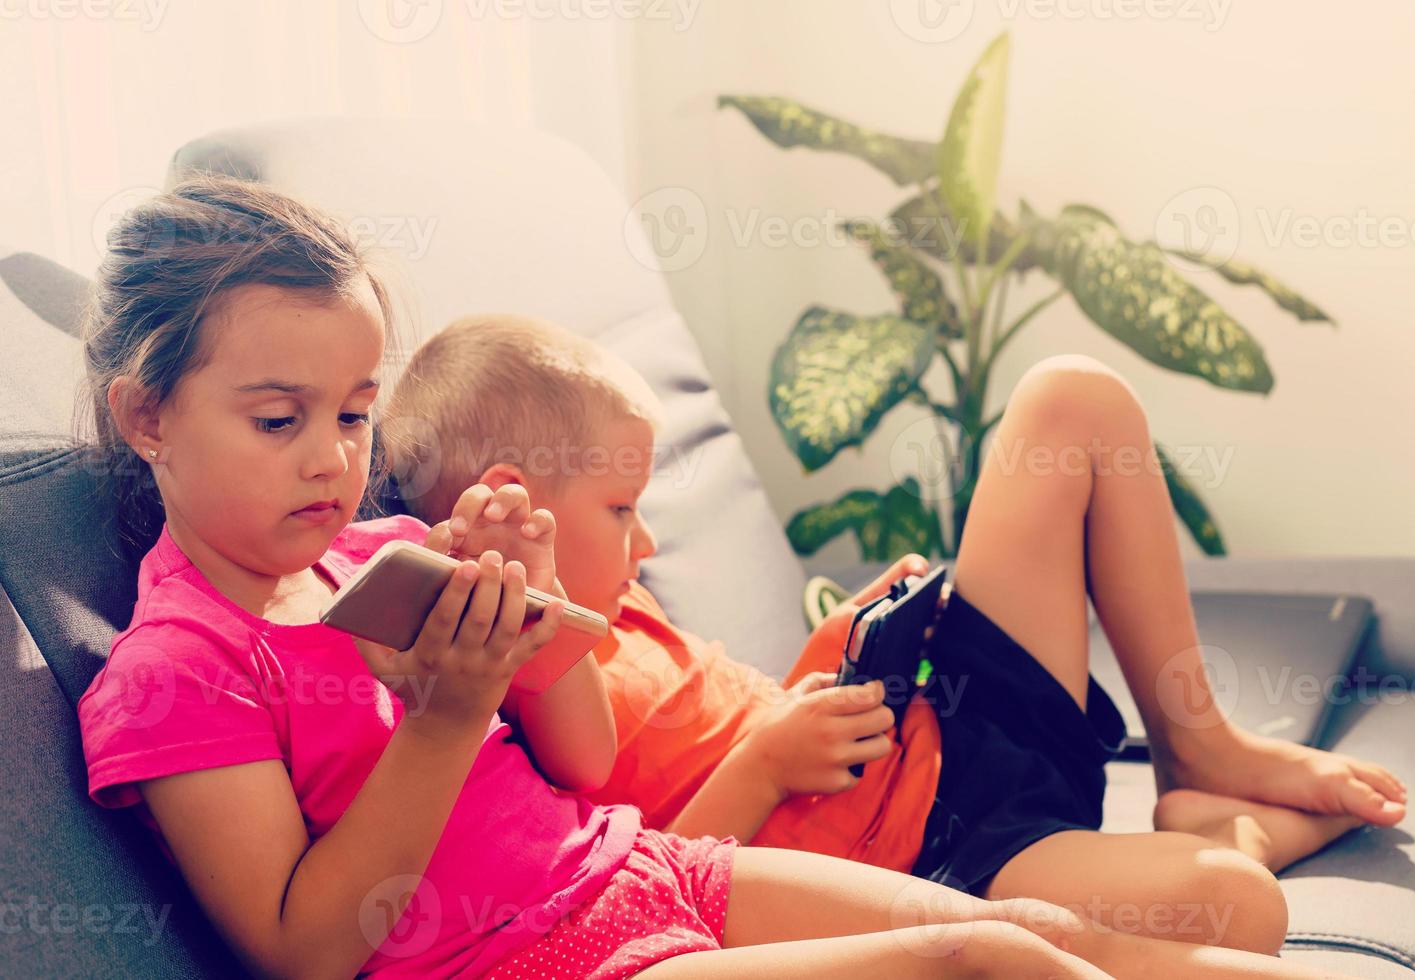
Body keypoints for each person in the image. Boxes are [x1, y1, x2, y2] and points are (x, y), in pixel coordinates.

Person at [75, 173, 1241, 979]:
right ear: (147, 414)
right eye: (280, 418)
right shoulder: (176, 669)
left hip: (639, 866)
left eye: (354, 412)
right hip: (525, 957)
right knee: (978, 959)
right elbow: (303, 949)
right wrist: (444, 721)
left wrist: (535, 617)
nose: (334, 457)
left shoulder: (382, 560)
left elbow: (582, 763)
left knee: (1029, 925)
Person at [384, 311, 1408, 962]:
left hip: (936, 724)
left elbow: (738, 713)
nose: (646, 540)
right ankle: (1232, 828)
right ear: (520, 503)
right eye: (621, 508)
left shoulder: (619, 601)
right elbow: (660, 876)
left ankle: (1200, 746)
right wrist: (766, 758)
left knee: (1074, 400)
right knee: (1237, 906)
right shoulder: (520, 676)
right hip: (949, 852)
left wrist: (831, 648)